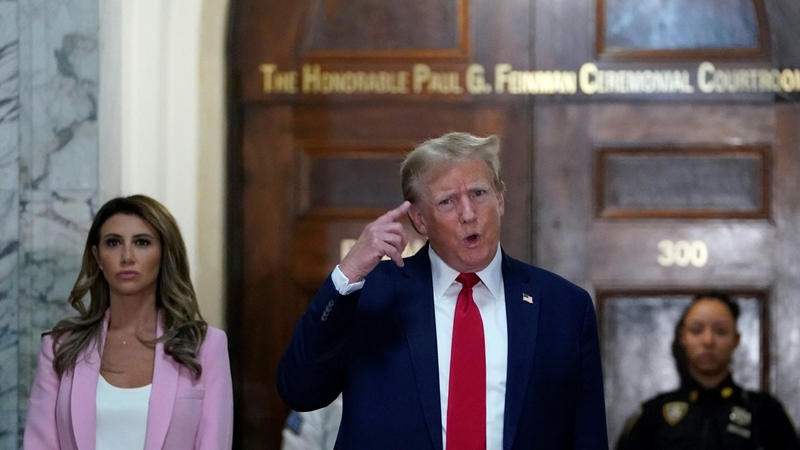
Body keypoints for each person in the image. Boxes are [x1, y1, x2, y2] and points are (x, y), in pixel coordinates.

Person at [277, 132, 608, 449]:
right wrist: (348, 273)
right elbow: (300, 389)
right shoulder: (370, 295)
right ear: (420, 220)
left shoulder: (564, 307)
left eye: (479, 194)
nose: (468, 214)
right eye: (448, 201)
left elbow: (588, 437)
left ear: (500, 201)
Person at [24, 195, 233, 450]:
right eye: (113, 243)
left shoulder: (206, 346)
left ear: (164, 253)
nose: (127, 256)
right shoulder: (61, 347)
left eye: (142, 242)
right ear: (97, 256)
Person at [616, 293, 800, 450]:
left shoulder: (765, 412)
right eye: (696, 330)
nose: (708, 340)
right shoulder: (653, 415)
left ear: (736, 340)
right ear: (683, 338)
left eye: (720, 331)